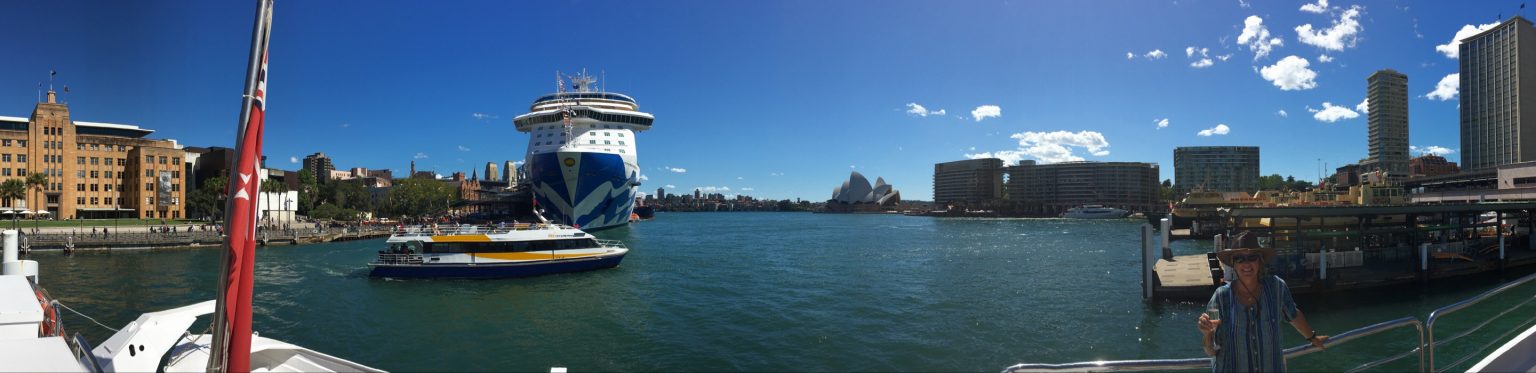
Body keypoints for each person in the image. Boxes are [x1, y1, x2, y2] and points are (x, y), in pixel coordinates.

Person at [1197, 231, 1328, 372]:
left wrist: (1313, 338)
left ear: (1260, 261)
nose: (1246, 263)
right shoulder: (1221, 298)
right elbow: (1211, 351)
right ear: (1233, 264)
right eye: (1240, 258)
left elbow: (1293, 314)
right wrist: (1207, 334)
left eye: (1252, 257)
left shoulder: (1276, 287)